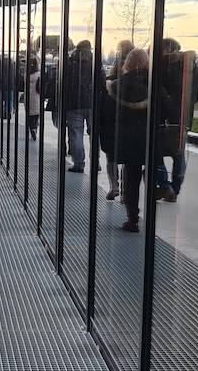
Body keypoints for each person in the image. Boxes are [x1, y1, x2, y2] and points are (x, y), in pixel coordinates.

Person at [98, 48, 173, 232]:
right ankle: (152, 210)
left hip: (128, 138)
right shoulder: (155, 87)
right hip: (150, 138)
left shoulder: (116, 86)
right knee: (151, 173)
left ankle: (132, 218)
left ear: (128, 63)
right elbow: (168, 111)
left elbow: (107, 114)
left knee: (131, 178)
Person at [153, 38, 198, 202]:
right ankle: (175, 188)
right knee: (179, 155)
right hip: (184, 118)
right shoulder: (194, 69)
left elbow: (158, 92)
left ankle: (166, 187)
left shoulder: (163, 67)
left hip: (164, 118)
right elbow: (195, 96)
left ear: (166, 49)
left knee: (155, 154)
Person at [100, 39, 137, 200]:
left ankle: (114, 185)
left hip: (111, 121)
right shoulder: (138, 77)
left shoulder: (112, 79)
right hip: (131, 123)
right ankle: (125, 192)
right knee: (129, 159)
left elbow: (104, 100)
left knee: (111, 156)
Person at [62, 40, 98, 173]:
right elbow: (101, 80)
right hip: (92, 103)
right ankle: (96, 161)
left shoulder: (70, 63)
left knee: (76, 134)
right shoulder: (95, 62)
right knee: (94, 134)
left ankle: (78, 163)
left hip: (74, 104)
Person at [25, 54, 42, 140]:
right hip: (37, 97)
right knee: (36, 115)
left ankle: (31, 128)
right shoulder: (39, 75)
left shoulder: (26, 75)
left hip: (28, 98)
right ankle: (35, 128)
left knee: (29, 116)